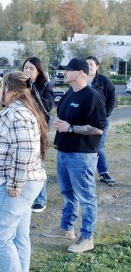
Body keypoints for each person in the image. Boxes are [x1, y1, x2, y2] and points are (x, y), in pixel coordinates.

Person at [0, 71, 48, 272]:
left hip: (14, 184)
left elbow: (25, 149)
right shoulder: (24, 110)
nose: (0, 92)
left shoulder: (16, 113)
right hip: (24, 181)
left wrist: (14, 183)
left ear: (11, 91)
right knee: (19, 237)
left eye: (2, 87)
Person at [42, 58, 106, 254]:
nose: (64, 73)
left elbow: (98, 129)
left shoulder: (92, 97)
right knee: (67, 194)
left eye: (68, 70)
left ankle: (87, 237)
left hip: (82, 156)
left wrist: (70, 128)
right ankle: (66, 229)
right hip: (63, 152)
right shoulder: (70, 93)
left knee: (86, 197)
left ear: (80, 73)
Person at [22, 57, 55, 213]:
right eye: (26, 67)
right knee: (23, 161)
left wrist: (31, 89)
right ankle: (27, 195)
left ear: (38, 71)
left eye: (31, 68)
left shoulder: (45, 86)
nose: (27, 71)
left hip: (38, 128)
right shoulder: (19, 85)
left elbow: (46, 106)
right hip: (22, 128)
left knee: (38, 163)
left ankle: (41, 199)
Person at [86, 56, 116, 186]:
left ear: (97, 66)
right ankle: (87, 171)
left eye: (91, 64)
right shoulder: (81, 79)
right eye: (86, 64)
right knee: (85, 145)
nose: (88, 66)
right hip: (84, 119)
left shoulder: (104, 80)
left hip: (101, 119)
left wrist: (106, 113)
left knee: (99, 146)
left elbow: (112, 98)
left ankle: (104, 173)